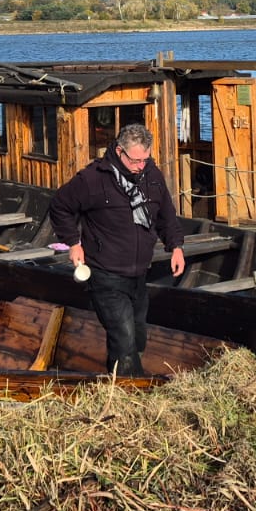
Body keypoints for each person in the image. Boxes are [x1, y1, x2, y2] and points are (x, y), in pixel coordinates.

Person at [48, 123, 186, 376]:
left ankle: (126, 382)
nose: (140, 166)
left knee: (138, 336)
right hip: (105, 273)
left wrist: (175, 246)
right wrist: (73, 243)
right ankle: (130, 390)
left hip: (139, 272)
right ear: (120, 152)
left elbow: (166, 214)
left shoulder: (151, 175)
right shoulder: (93, 178)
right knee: (123, 338)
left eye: (146, 159)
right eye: (135, 160)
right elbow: (60, 206)